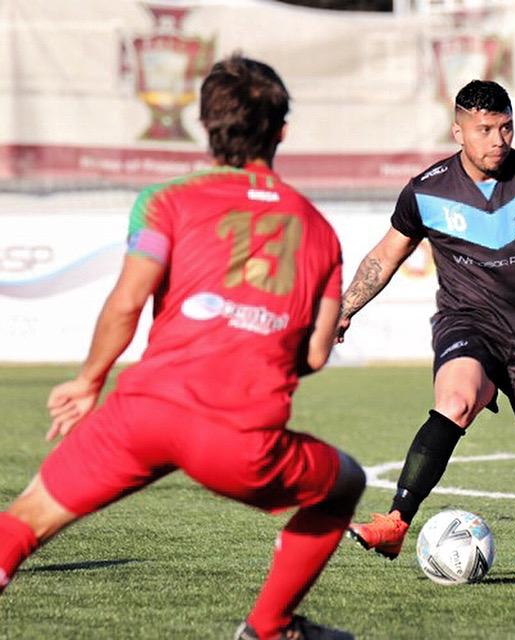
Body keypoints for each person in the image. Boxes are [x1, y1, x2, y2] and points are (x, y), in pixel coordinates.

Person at [0, 55, 364, 640]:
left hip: (142, 414)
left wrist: (88, 380)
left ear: (206, 127)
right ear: (282, 131)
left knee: (21, 523)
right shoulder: (320, 230)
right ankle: (269, 627)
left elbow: (126, 303)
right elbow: (316, 355)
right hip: (241, 439)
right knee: (345, 480)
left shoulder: (166, 200)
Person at [337, 80, 515, 581]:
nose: (497, 140)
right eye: (484, 130)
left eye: (505, 128)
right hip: (468, 322)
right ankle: (395, 522)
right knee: (457, 399)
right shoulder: (426, 190)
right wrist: (346, 308)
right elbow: (384, 257)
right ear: (458, 131)